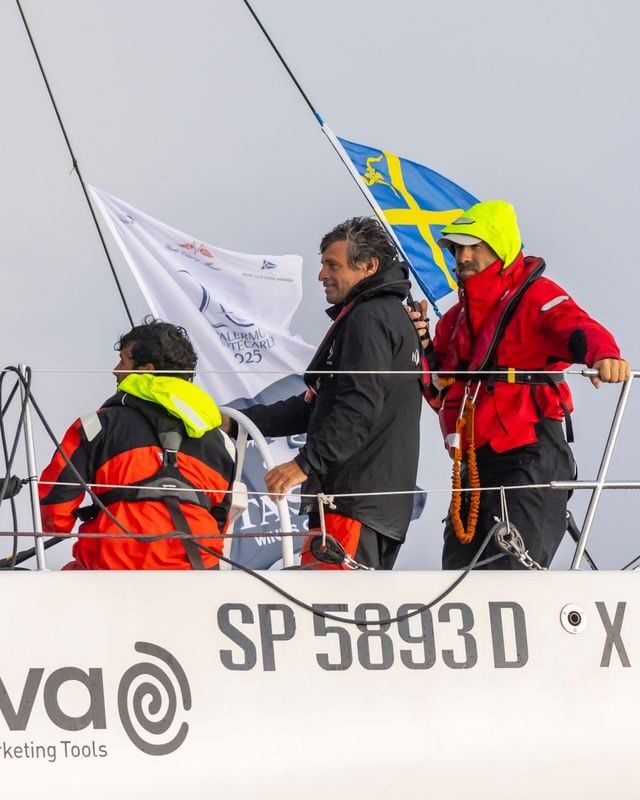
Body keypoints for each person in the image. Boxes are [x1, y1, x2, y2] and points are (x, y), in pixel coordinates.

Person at [412, 200, 629, 569]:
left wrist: (603, 355)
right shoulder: (455, 319)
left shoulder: (536, 295)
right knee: (457, 578)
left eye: (473, 246)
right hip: (474, 462)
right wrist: (423, 344)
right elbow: (442, 391)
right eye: (456, 247)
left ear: (500, 247)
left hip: (529, 452)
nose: (462, 256)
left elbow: (573, 325)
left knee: (511, 568)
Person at [234, 217, 423, 569]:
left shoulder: (369, 318)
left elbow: (357, 407)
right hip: (368, 509)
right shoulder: (388, 315)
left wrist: (304, 464)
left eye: (332, 265)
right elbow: (321, 405)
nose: (321, 275)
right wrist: (237, 423)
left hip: (351, 505)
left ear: (368, 266)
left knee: (331, 613)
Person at [39, 318, 236, 570]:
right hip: (196, 573)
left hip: (113, 568)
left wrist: (63, 526)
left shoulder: (97, 426)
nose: (115, 370)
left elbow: (55, 507)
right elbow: (221, 521)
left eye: (123, 360)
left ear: (146, 370)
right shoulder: (221, 442)